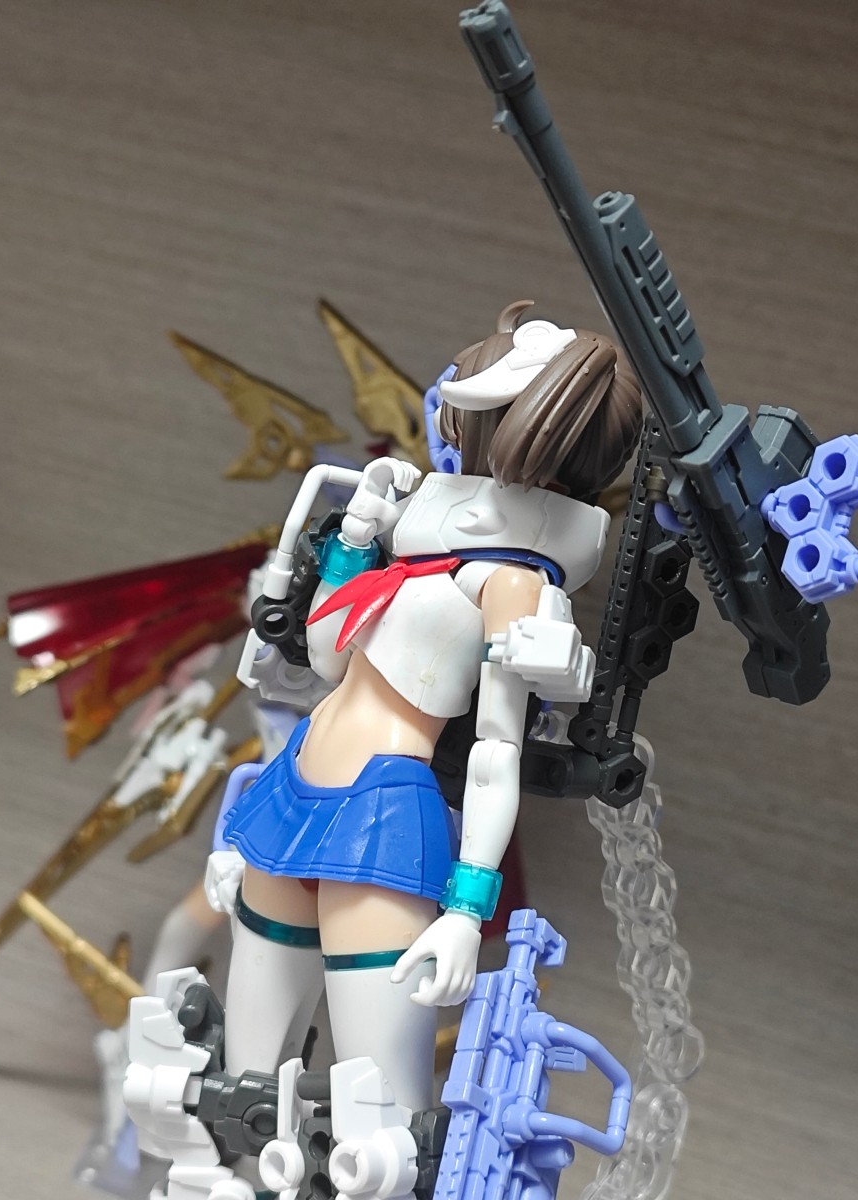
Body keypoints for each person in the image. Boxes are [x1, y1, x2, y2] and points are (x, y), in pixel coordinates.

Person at [216, 300, 642, 1124]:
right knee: (245, 1097)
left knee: (379, 1126)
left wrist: (465, 911)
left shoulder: (512, 580)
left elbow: (494, 753)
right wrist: (356, 539)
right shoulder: (423, 550)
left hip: (381, 816)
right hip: (294, 784)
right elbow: (328, 654)